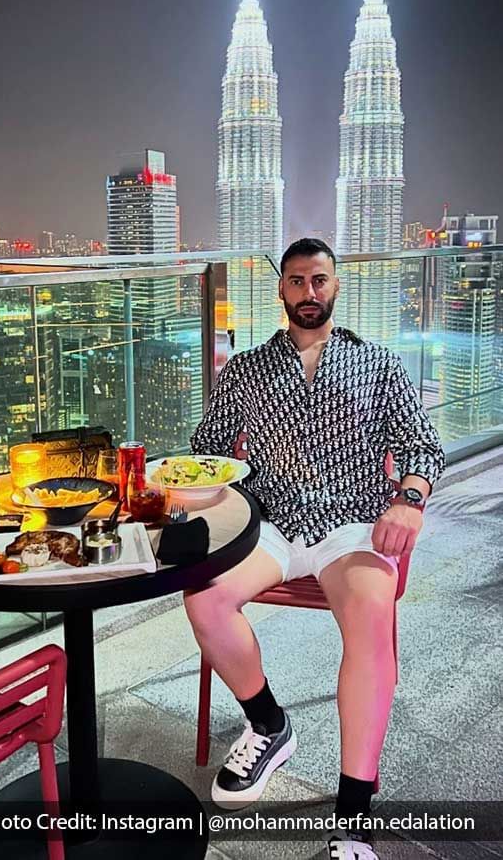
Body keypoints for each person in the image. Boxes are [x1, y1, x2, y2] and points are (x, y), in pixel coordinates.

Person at [187, 238, 445, 860]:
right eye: (298, 281)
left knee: (369, 615)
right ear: (281, 290)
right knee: (205, 600)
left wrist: (408, 499)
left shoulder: (378, 364)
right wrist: (192, 489)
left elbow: (422, 447)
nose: (309, 292)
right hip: (270, 523)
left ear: (336, 287)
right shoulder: (245, 370)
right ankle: (270, 725)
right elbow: (208, 450)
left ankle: (353, 817)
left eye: (320, 280)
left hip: (353, 524)